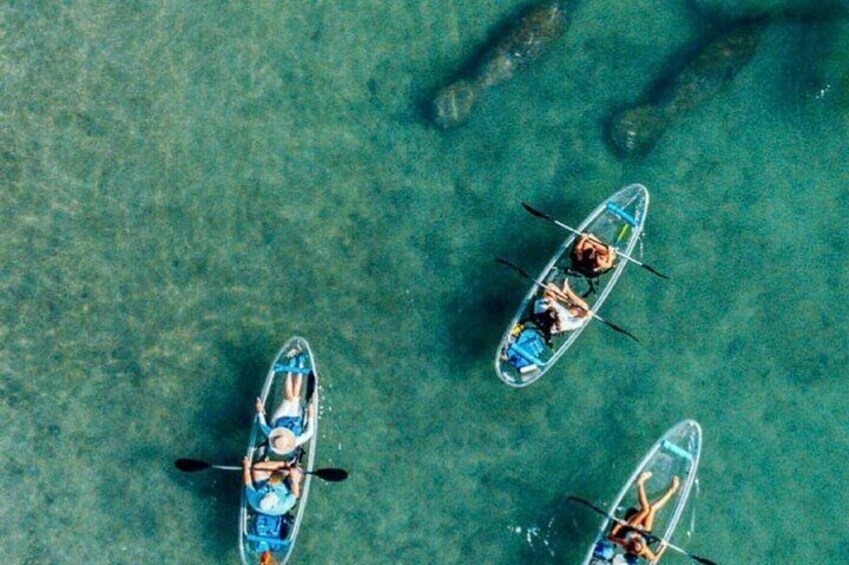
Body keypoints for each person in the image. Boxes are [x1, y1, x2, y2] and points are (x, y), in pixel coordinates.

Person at [255, 349, 316, 462]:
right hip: (295, 420)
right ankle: (298, 365)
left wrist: (259, 411)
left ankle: (290, 369)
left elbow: (263, 425)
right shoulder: (296, 441)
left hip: (279, 419)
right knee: (295, 397)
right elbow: (309, 432)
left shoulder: (271, 435)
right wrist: (311, 416)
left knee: (289, 399)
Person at [608, 471, 681, 564]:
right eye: (640, 546)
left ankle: (640, 483)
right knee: (652, 508)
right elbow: (654, 560)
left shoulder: (625, 542)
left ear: (633, 543)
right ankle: (672, 490)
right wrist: (663, 546)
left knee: (645, 509)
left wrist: (618, 525)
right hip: (645, 533)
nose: (639, 545)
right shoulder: (643, 549)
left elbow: (610, 537)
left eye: (637, 545)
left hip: (630, 527)